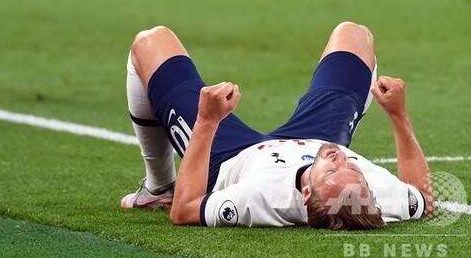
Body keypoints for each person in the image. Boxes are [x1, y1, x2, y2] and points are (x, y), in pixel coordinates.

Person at [121, 22, 434, 229]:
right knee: (355, 35)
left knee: (150, 42)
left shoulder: (260, 198)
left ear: (306, 192)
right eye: (353, 169)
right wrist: (398, 115)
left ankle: (159, 187)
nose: (340, 159)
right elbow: (422, 196)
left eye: (331, 172)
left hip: (232, 156)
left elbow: (184, 211)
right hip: (316, 137)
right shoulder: (372, 196)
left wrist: (206, 120)